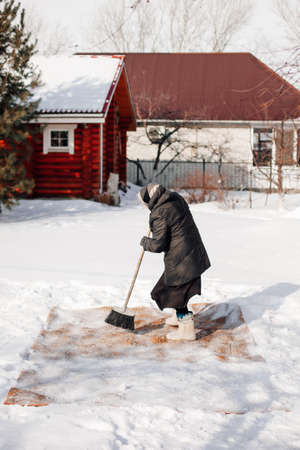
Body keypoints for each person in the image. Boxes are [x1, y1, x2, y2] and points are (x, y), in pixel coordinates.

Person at [138, 183, 211, 341]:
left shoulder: (159, 213)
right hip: (192, 250)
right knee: (170, 286)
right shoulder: (175, 198)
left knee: (176, 291)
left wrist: (145, 242)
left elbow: (159, 244)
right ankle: (178, 316)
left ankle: (186, 327)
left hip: (181, 258)